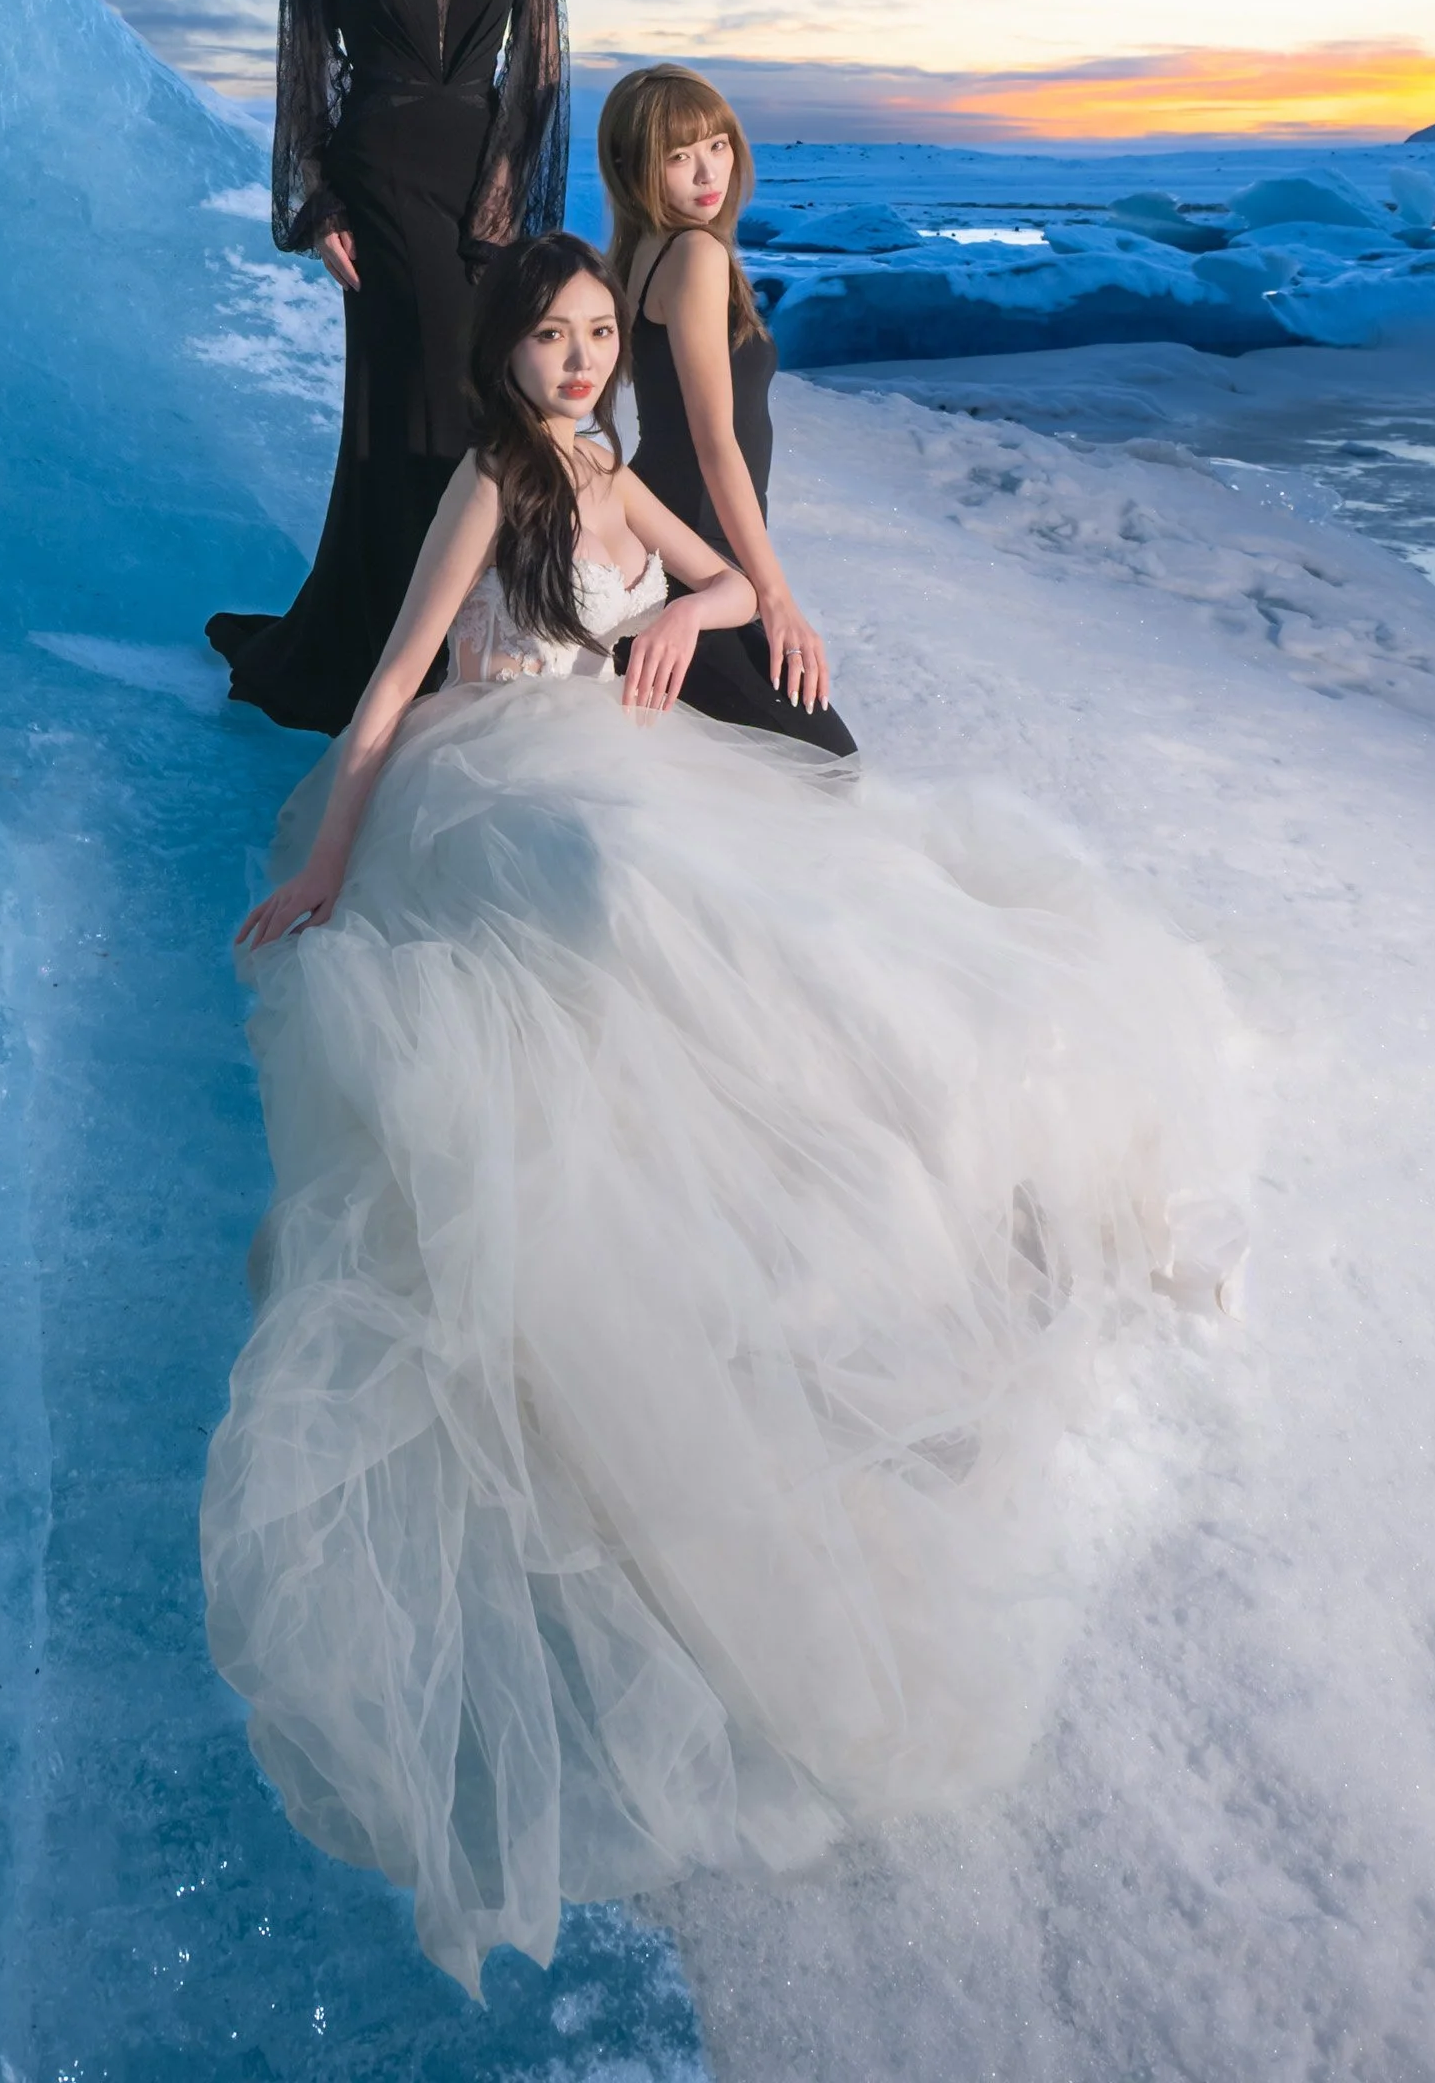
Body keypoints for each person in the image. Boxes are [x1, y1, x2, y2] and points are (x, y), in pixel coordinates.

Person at [202, 233, 1239, 1999]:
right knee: (613, 890)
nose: (581, 363)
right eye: (552, 338)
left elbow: (736, 591)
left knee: (815, 929)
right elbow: (391, 682)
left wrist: (684, 610)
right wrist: (324, 861)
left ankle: (922, 1189)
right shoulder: (487, 478)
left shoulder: (606, 468)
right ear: (501, 353)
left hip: (619, 752)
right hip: (487, 774)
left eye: (599, 335)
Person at [206, 0, 568, 734]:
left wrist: (505, 207)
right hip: (379, 186)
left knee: (488, 400)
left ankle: (491, 629)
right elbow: (306, 89)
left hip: (480, 188)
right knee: (413, 406)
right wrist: (319, 206)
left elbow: (536, 80)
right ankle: (398, 653)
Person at [599, 62, 856, 754]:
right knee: (823, 761)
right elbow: (715, 442)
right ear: (634, 169)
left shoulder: (644, 250)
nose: (707, 172)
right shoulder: (691, 255)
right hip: (693, 549)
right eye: (677, 157)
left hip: (674, 541)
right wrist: (774, 599)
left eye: (716, 145)